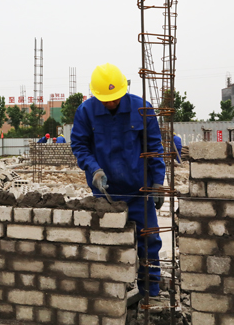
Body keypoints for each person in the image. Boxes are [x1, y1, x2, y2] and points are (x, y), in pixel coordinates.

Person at [70, 63, 165, 297]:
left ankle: (150, 291)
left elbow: (154, 148)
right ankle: (110, 291)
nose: (111, 103)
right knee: (108, 241)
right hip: (106, 194)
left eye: (115, 98)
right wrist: (94, 170)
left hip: (139, 191)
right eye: (106, 100)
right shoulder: (86, 112)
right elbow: (80, 146)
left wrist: (158, 183)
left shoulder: (142, 109)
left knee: (149, 241)